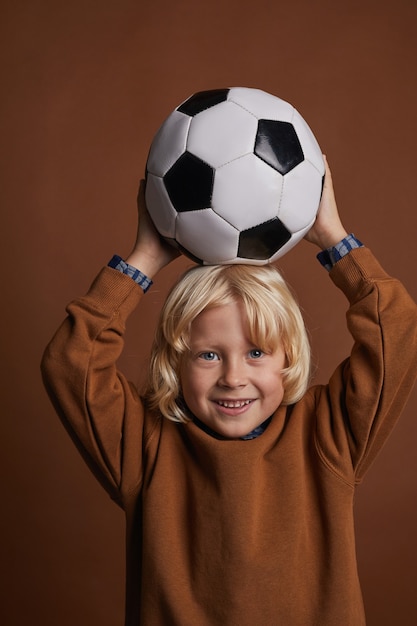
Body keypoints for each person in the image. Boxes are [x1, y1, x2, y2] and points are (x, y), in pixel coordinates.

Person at [41, 157, 417, 625]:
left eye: (257, 353)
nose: (233, 378)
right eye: (208, 355)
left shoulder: (327, 431)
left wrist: (332, 236)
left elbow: (397, 331)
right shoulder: (145, 445)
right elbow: (70, 363)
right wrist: (144, 259)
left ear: (289, 358)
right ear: (175, 362)